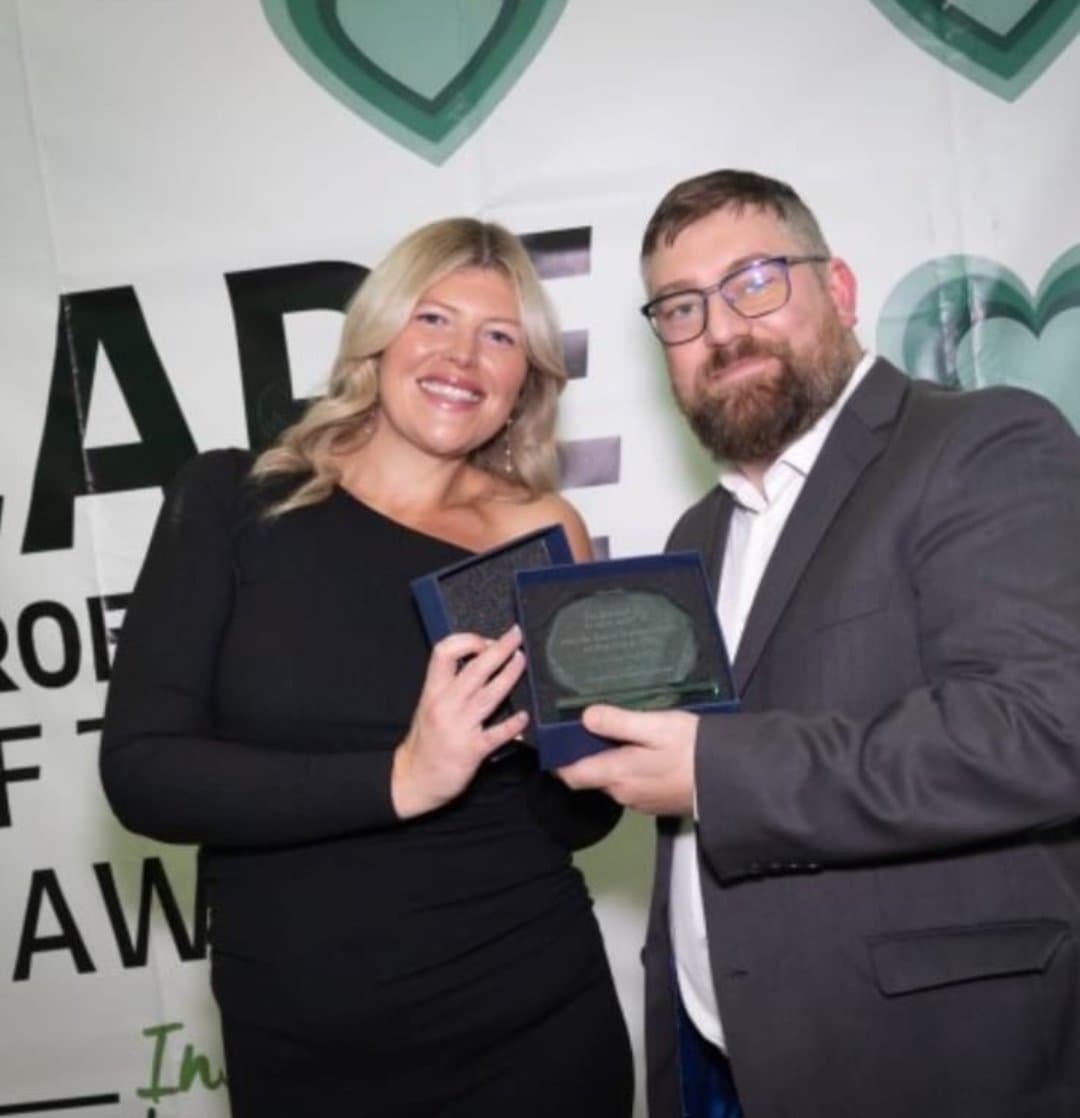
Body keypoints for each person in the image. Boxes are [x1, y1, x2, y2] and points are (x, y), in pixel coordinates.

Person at [558, 169, 1080, 1118]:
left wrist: (712, 769)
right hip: (725, 1062)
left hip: (937, 1065)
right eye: (680, 308)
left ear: (837, 289)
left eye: (754, 281)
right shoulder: (694, 536)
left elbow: (1041, 732)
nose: (720, 329)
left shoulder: (980, 444)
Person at [100, 217, 633, 1117]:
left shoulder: (541, 532)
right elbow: (144, 773)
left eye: (499, 337)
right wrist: (399, 778)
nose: (463, 357)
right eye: (434, 319)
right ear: (377, 336)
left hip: (535, 1021)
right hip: (309, 1046)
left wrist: (598, 740)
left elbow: (570, 821)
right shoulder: (233, 498)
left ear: (525, 383)